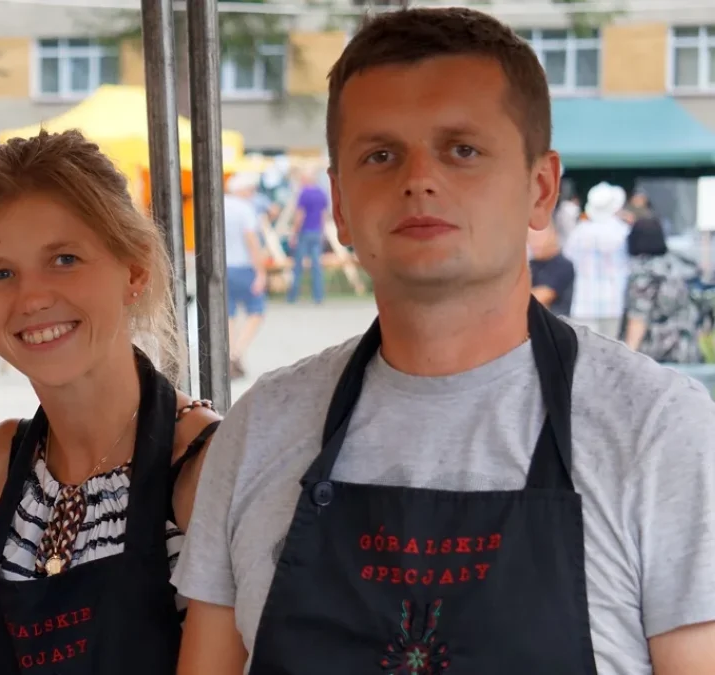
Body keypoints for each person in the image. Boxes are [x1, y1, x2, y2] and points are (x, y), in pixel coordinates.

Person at [174, 8, 715, 675]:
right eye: (381, 154)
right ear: (339, 206)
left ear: (540, 187)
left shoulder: (661, 432)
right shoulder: (261, 427)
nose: (418, 178)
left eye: (462, 148)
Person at [0, 130, 221, 675]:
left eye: (64, 259)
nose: (33, 297)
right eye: (1, 273)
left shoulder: (204, 470)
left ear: (134, 271)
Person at [623, 217, 707, 364]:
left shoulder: (644, 274)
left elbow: (638, 319)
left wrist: (627, 358)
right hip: (687, 348)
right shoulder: (680, 265)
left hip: (657, 352)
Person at [564, 181, 631, 338]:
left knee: (585, 355)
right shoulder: (622, 231)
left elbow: (568, 259)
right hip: (614, 302)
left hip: (582, 302)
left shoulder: (579, 231)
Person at [224, 171, 268, 380]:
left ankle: (231, 353)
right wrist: (261, 271)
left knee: (229, 314)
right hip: (244, 267)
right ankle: (237, 352)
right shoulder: (245, 209)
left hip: (223, 267)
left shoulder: (218, 206)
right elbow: (252, 241)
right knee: (256, 310)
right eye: (250, 190)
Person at [286, 167, 331, 304]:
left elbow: (300, 215)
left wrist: (293, 233)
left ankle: (293, 296)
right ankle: (318, 296)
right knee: (317, 266)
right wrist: (322, 232)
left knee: (298, 265)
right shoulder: (322, 193)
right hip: (317, 232)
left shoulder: (303, 193)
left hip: (304, 232)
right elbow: (324, 215)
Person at [528, 224, 574, 316]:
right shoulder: (531, 264)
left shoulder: (562, 265)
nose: (533, 243)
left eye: (538, 238)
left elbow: (540, 298)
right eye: (529, 238)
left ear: (553, 236)